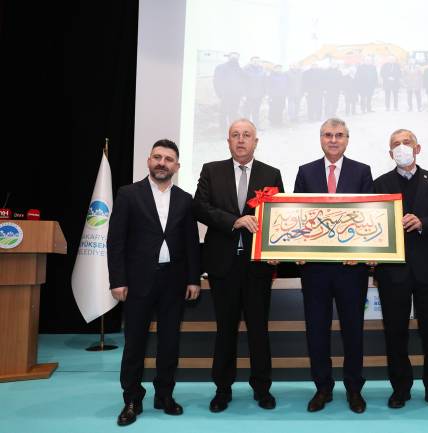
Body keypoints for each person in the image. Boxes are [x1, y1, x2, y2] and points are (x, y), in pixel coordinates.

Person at [107, 139, 201, 426]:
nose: (162, 163)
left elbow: (191, 243)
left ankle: (165, 395)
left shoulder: (186, 199)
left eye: (168, 159)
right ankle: (132, 400)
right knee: (134, 344)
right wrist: (117, 280)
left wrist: (193, 279)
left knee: (169, 344)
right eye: (157, 157)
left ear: (177, 166)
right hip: (137, 283)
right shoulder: (128, 194)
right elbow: (116, 240)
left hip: (174, 282)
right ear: (149, 161)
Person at [193, 119, 284, 412]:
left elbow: (279, 217)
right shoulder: (211, 170)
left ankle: (262, 389)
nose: (241, 140)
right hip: (223, 266)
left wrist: (276, 250)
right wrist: (235, 221)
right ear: (228, 141)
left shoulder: (271, 173)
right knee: (225, 330)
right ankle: (222, 389)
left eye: (246, 135)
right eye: (235, 135)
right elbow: (200, 208)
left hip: (258, 267)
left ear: (256, 141)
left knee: (259, 330)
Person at [293, 118, 373, 413]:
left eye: (339, 135)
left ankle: (354, 389)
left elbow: (369, 216)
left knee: (353, 331)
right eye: (328, 135)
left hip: (352, 268)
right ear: (321, 138)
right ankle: (322, 388)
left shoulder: (362, 171)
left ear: (347, 139)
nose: (333, 139)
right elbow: (297, 215)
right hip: (314, 268)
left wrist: (362, 251)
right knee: (316, 331)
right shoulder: (306, 171)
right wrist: (296, 248)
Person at [373, 129, 428, 411]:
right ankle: (400, 389)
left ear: (417, 148)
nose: (401, 147)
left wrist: (423, 223)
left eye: (406, 142)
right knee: (395, 333)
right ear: (390, 153)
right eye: (395, 144)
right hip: (392, 272)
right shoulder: (379, 184)